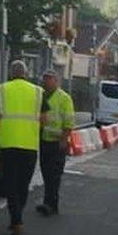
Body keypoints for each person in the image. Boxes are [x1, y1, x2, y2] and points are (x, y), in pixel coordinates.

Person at [0, 60, 46, 235]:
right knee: (23, 185)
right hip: (30, 146)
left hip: (8, 144)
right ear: (26, 73)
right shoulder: (38, 92)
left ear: (11, 72)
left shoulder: (2, 90)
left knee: (10, 184)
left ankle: (16, 220)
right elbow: (45, 119)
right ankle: (17, 219)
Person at [37, 69, 74, 216]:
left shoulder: (64, 98)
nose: (45, 82)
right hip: (44, 140)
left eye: (48, 79)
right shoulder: (41, 96)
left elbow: (69, 121)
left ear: (56, 81)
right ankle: (48, 202)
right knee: (46, 173)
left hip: (57, 143)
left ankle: (51, 204)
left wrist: (64, 140)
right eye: (44, 79)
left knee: (54, 175)